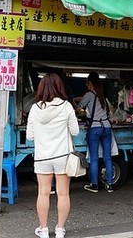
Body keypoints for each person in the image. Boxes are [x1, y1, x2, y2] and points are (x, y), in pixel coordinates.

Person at [27, 73, 79, 238]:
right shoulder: (66, 106)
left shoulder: (35, 109)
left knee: (43, 193)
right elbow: (75, 131)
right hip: (62, 156)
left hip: (42, 156)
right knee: (63, 193)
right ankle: (60, 229)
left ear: (41, 88)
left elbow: (30, 136)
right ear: (59, 87)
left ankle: (43, 230)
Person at [75, 72, 114, 193]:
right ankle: (109, 184)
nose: (86, 85)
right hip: (107, 127)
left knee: (94, 157)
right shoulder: (102, 95)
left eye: (87, 83)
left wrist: (73, 103)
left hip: (95, 127)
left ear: (90, 83)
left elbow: (79, 109)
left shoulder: (89, 94)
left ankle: (94, 185)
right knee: (107, 157)